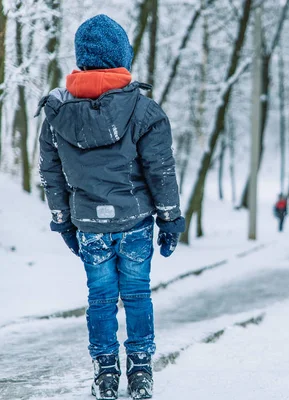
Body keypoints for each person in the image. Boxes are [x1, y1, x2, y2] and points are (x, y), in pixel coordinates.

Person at [37, 14, 184, 400]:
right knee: (136, 294)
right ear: (122, 57)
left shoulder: (56, 112)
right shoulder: (144, 110)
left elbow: (51, 175)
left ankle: (105, 374)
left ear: (82, 58)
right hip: (134, 223)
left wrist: (63, 221)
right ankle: (140, 371)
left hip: (88, 225)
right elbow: (161, 171)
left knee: (99, 299)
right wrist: (169, 218)